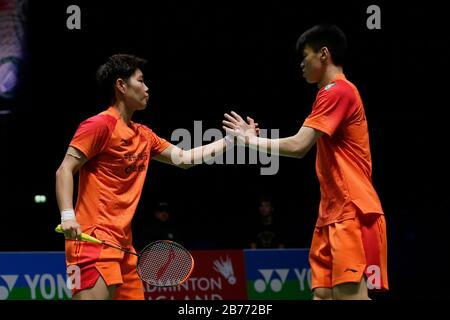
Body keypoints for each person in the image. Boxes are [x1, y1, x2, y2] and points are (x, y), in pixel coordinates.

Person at [222, 25, 388, 300]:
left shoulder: (339, 91)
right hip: (330, 213)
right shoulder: (326, 95)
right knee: (322, 295)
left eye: (305, 56)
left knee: (350, 297)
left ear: (324, 54)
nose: (301, 64)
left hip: (352, 210)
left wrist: (248, 141)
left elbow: (299, 146)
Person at [55, 54, 235, 300]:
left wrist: (231, 140)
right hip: (91, 241)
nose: (147, 87)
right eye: (140, 81)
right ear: (121, 85)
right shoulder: (99, 125)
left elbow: (184, 159)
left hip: (125, 247)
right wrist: (68, 216)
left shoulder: (144, 135)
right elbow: (65, 169)